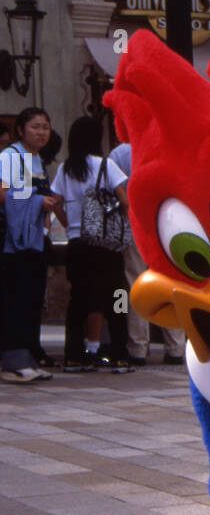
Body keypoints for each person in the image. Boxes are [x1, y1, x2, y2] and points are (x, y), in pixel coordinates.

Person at [51, 117, 132, 373]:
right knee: (118, 295)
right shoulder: (104, 165)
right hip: (106, 245)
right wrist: (121, 232)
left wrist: (70, 224)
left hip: (78, 243)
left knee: (79, 299)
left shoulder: (66, 168)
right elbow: (125, 201)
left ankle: (74, 356)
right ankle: (119, 354)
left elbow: (55, 203)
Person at [110, 140, 185, 367]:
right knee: (171, 287)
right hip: (169, 224)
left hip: (134, 226)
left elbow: (112, 189)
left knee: (134, 287)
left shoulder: (120, 153)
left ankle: (138, 348)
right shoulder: (171, 146)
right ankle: (176, 347)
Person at [0, 107, 60, 383]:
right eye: (35, 127)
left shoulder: (35, 160)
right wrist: (40, 202)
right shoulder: (13, 158)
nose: (41, 132)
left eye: (45, 127)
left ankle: (28, 357)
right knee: (17, 301)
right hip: (15, 244)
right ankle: (14, 361)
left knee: (32, 301)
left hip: (34, 240)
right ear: (21, 130)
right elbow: (7, 197)